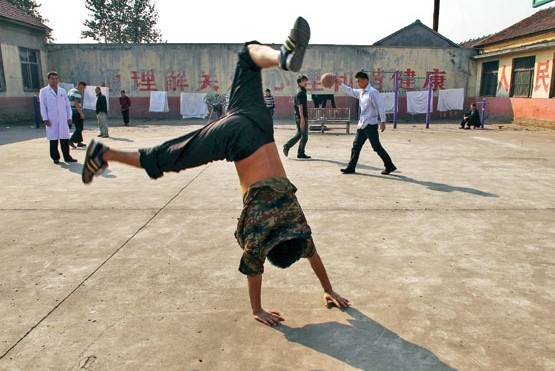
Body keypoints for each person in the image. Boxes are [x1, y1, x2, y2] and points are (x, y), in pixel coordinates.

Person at [81, 17, 349, 327]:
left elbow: (313, 255)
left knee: (247, 56)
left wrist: (329, 288)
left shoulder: (298, 223)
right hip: (237, 140)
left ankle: (282, 57)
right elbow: (253, 267)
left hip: (256, 122)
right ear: (274, 247)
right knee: (170, 156)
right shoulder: (261, 234)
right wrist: (256, 309)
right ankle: (106, 153)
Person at [336, 72, 397, 175]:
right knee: (356, 146)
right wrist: (341, 84)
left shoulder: (373, 92)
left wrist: (383, 121)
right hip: (362, 124)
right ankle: (351, 167)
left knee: (376, 146)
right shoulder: (361, 92)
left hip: (370, 124)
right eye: (356, 82)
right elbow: (350, 91)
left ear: (365, 80)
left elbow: (380, 106)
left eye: (359, 81)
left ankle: (389, 166)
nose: (358, 83)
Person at [39, 71, 77, 164]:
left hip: (63, 119)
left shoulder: (62, 91)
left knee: (65, 139)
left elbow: (67, 105)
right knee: (53, 139)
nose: (54, 80)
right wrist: (45, 119)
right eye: (52, 79)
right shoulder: (44, 91)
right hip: (51, 119)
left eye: (56, 79)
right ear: (48, 80)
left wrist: (69, 117)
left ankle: (67, 157)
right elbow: (43, 106)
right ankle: (55, 158)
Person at [283, 75, 311, 159]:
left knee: (299, 134)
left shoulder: (301, 90)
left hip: (298, 116)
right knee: (304, 136)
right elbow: (300, 106)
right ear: (299, 83)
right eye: (303, 81)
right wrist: (302, 118)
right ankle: (298, 151)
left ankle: (290, 147)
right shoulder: (300, 92)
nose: (306, 82)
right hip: (301, 116)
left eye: (306, 80)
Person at [68, 81, 88, 148]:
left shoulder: (70, 91)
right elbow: (76, 103)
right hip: (76, 112)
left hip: (71, 111)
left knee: (77, 126)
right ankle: (71, 139)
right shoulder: (77, 92)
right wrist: (81, 113)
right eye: (83, 88)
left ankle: (79, 142)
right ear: (80, 85)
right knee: (80, 127)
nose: (83, 89)